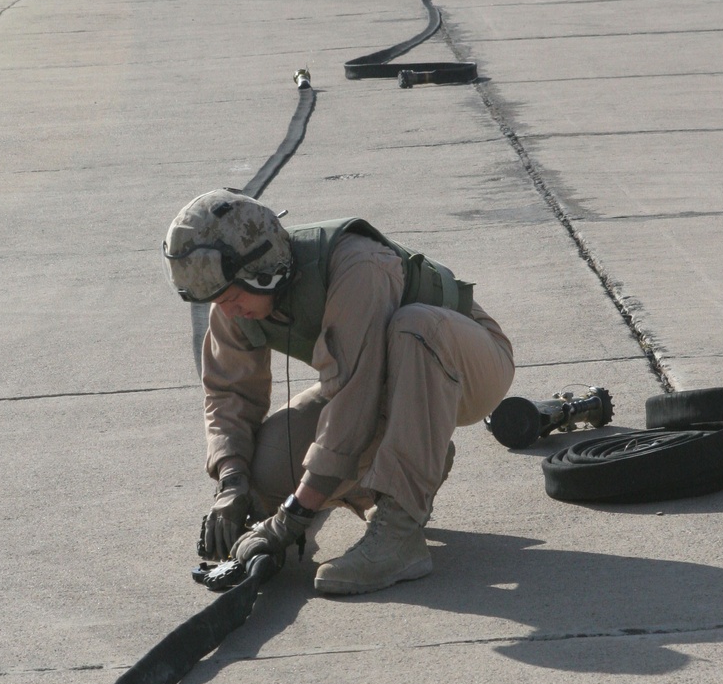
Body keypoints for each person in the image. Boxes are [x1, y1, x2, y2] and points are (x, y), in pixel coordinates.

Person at [163, 189, 514, 596]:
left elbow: (353, 402)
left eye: (230, 299)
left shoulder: (357, 266)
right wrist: (232, 483)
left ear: (264, 269)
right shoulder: (232, 293)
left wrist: (290, 520)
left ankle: (401, 533)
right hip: (380, 381)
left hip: (468, 364)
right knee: (265, 474)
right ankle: (406, 460)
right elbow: (228, 396)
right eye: (216, 302)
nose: (226, 311)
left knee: (413, 326)